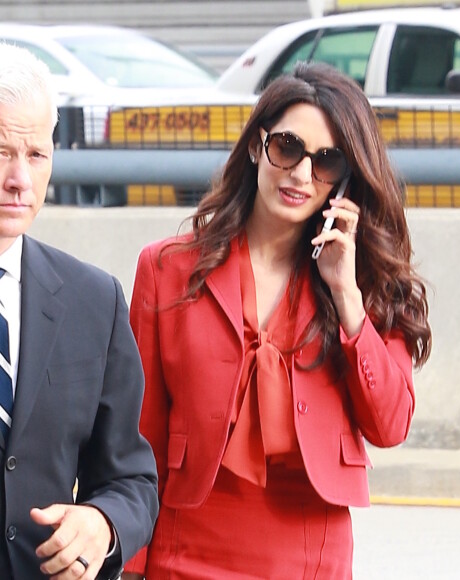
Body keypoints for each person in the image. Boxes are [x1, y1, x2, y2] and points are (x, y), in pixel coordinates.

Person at [123, 61, 431, 579]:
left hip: (308, 556)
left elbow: (390, 424)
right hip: (184, 549)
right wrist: (133, 564)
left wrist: (346, 296)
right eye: (287, 148)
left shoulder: (369, 285)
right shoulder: (165, 269)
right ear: (255, 145)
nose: (302, 175)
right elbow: (139, 434)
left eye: (326, 160)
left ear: (345, 176)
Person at [0, 43, 159, 579]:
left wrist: (103, 522)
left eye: (36, 155)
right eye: (0, 151)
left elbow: (131, 478)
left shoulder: (95, 301)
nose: (19, 178)